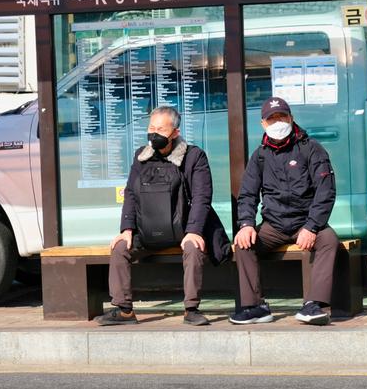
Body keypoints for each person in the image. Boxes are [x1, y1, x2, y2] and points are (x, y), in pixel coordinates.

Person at [96, 106, 230, 326]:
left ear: (175, 132)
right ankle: (124, 310)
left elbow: (201, 198)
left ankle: (191, 309)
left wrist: (194, 231)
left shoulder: (194, 156)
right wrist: (126, 229)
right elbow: (130, 193)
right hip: (148, 229)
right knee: (120, 247)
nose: (154, 133)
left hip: (184, 228)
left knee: (193, 248)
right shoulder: (141, 157)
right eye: (151, 127)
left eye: (160, 129)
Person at [229, 96, 338, 326]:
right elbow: (247, 193)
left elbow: (325, 191)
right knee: (243, 243)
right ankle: (255, 306)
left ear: (291, 118)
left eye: (282, 116)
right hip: (273, 225)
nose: (278, 122)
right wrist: (246, 224)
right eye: (272, 118)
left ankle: (314, 305)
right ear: (263, 124)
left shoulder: (311, 149)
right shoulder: (259, 156)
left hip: (306, 222)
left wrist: (312, 226)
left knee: (328, 239)